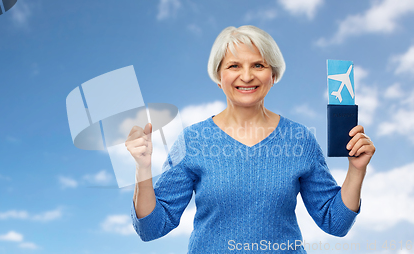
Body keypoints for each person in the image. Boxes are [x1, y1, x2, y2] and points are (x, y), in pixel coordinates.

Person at [126, 25, 375, 253]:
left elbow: (335, 222)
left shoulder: (300, 139)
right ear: (218, 76)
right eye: (234, 66)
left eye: (258, 65)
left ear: (273, 75)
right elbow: (152, 229)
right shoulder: (193, 140)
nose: (246, 76)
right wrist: (142, 169)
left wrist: (356, 170)